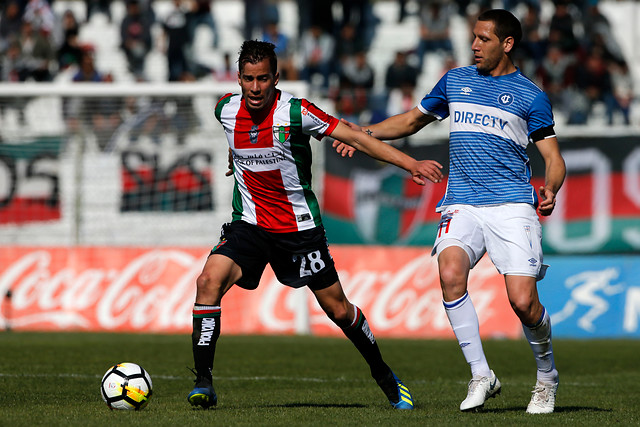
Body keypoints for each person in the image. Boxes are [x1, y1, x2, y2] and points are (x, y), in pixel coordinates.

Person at [187, 40, 444, 410]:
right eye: (248, 79)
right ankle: (203, 383)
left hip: (299, 230)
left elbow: (355, 136)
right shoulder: (225, 109)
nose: (256, 88)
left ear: (276, 77)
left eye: (263, 79)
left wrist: (410, 164)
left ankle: (386, 377)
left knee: (339, 310)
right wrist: (235, 156)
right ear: (238, 79)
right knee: (208, 281)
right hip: (250, 225)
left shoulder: (296, 111)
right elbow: (238, 137)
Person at [335, 9, 566, 414]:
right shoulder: (455, 80)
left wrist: (551, 186)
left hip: (512, 204)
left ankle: (546, 378)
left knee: (524, 303)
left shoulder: (531, 96)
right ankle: (481, 375)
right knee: (450, 273)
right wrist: (362, 134)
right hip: (462, 201)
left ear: (507, 44)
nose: (474, 45)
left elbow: (553, 156)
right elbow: (411, 120)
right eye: (473, 37)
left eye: (484, 39)